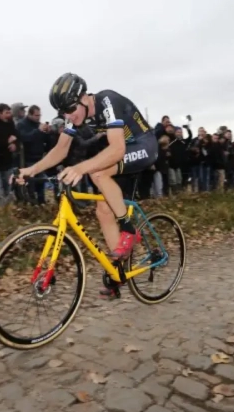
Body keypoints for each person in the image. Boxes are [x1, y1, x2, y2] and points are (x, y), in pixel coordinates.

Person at [15, 73, 157, 298]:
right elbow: (60, 150)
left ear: (84, 98)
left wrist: (81, 168)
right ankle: (118, 271)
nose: (68, 116)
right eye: (63, 113)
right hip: (120, 153)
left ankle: (129, 230)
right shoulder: (74, 114)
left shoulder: (106, 101)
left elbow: (117, 149)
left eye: (71, 110)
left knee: (97, 173)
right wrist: (31, 170)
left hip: (143, 145)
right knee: (103, 211)